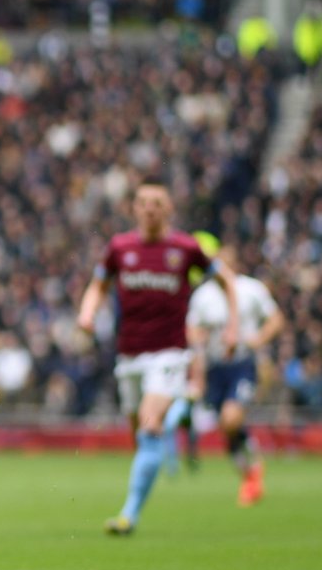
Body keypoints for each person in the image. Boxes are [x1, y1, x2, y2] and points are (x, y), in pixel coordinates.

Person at [77, 181, 239, 536]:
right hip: (129, 356)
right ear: (133, 208)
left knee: (149, 425)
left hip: (169, 354)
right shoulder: (120, 248)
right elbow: (98, 284)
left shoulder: (184, 248)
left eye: (157, 203)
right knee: (140, 436)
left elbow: (227, 280)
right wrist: (87, 313)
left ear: (168, 209)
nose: (150, 208)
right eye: (143, 203)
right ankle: (170, 425)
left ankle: (128, 515)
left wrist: (232, 328)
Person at [186, 244, 284, 506]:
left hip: (242, 363)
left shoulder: (251, 289)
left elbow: (276, 319)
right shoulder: (203, 296)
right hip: (215, 367)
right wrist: (198, 366)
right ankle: (249, 474)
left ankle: (253, 465)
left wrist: (259, 338)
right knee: (226, 427)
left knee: (231, 419)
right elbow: (193, 332)